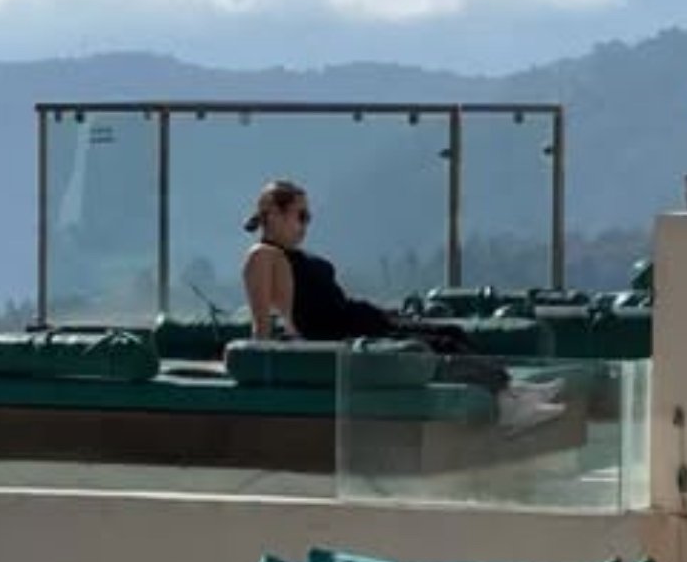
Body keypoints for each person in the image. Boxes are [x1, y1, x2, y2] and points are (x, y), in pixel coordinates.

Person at [240, 179, 565, 432]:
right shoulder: (263, 257)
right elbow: (264, 322)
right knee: (434, 346)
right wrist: (263, 369)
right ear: (274, 215)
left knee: (450, 333)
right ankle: (508, 403)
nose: (305, 225)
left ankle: (511, 390)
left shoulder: (290, 255)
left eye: (307, 217)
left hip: (358, 318)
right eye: (301, 215)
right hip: (341, 330)